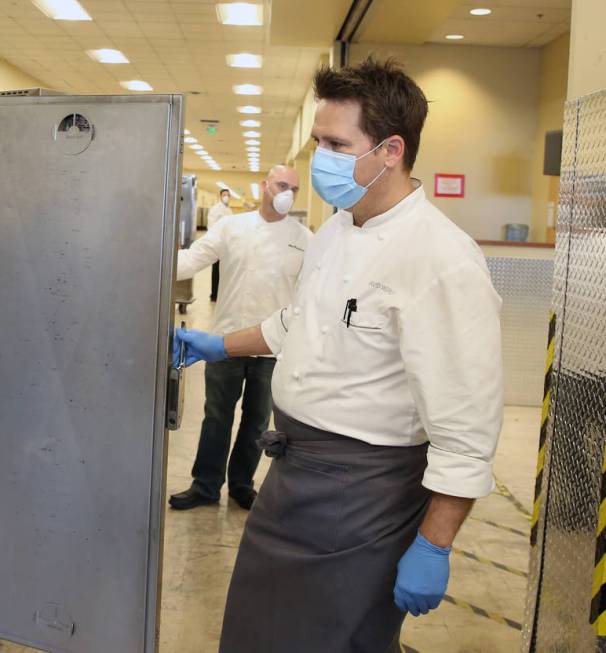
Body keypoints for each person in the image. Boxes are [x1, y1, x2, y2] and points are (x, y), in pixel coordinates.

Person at [176, 58, 503, 652]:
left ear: (389, 150)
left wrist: (433, 544)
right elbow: (296, 323)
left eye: (335, 143)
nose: (319, 159)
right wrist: (217, 343)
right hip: (294, 473)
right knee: (257, 632)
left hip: (365, 494)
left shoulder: (441, 260)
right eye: (318, 141)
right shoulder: (337, 230)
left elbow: (466, 431)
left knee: (331, 639)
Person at [169, 165, 312, 511]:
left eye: (293, 187)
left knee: (257, 422)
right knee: (217, 416)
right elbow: (192, 260)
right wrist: (150, 263)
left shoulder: (306, 239)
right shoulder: (232, 227)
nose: (287, 193)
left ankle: (242, 485)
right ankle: (205, 486)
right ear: (265, 186)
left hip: (272, 349)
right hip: (226, 342)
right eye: (281, 185)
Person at [205, 189, 233, 301]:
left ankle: (221, 293)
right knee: (216, 270)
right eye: (224, 195)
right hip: (217, 242)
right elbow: (211, 226)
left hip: (227, 243)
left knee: (224, 269)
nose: (226, 197)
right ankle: (214, 294)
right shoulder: (215, 209)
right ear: (220, 196)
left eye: (227, 195)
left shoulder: (229, 210)